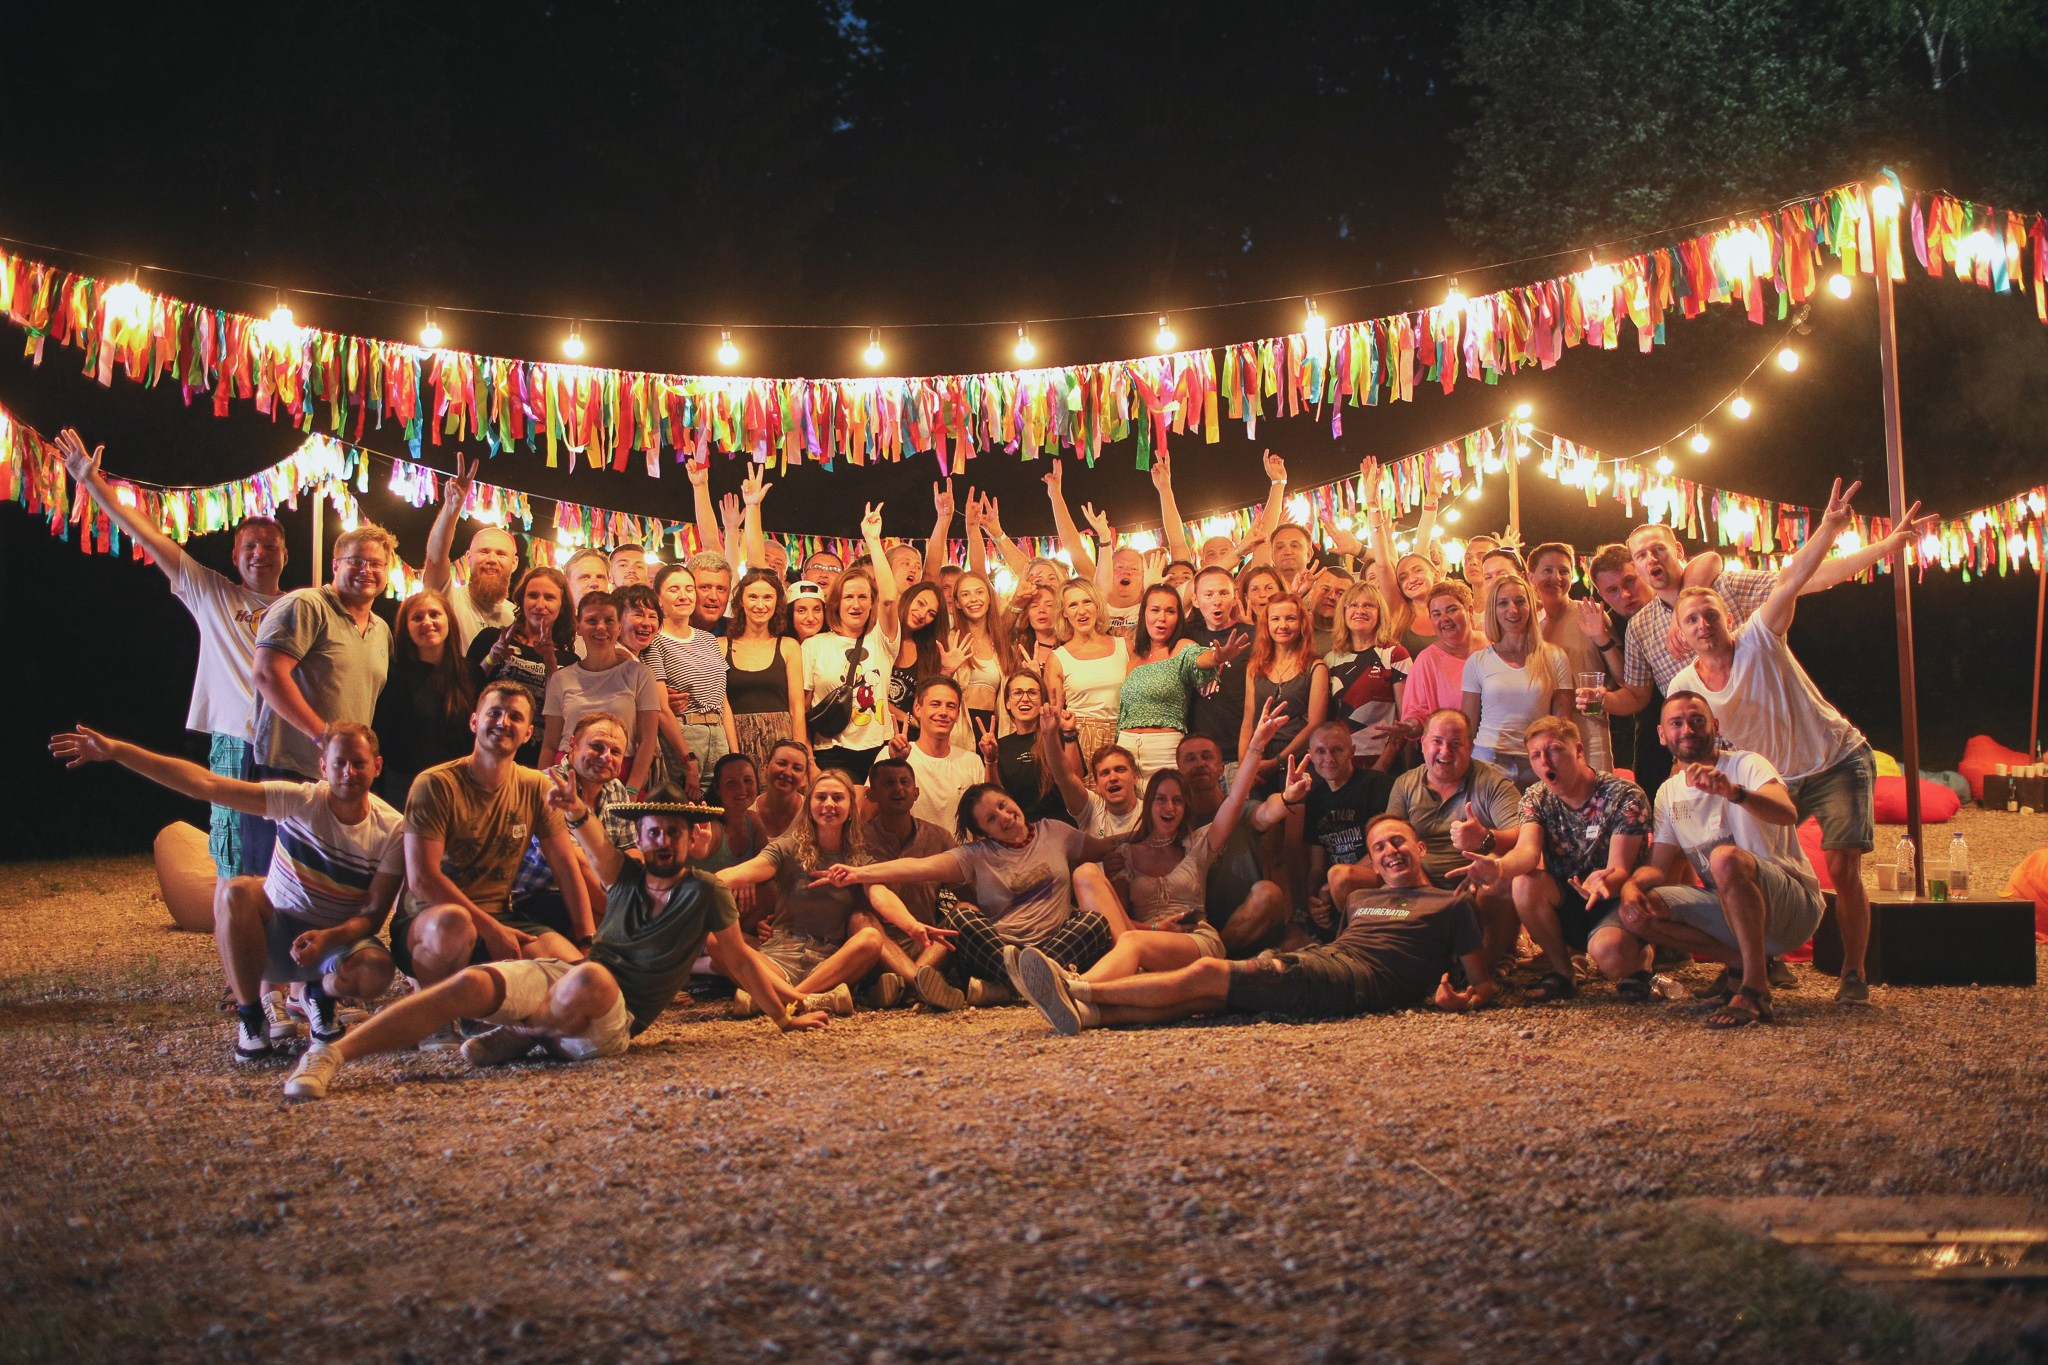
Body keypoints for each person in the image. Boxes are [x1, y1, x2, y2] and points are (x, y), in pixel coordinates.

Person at [282, 785, 829, 1099]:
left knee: (590, 975)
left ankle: (520, 1035)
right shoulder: (626, 875)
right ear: (640, 839)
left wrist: (784, 1015)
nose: (663, 841)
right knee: (475, 982)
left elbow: (737, 958)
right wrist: (576, 812)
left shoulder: (708, 892)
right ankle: (332, 1054)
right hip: (572, 984)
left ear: (693, 839)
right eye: (654, 832)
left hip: (611, 1019)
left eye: (673, 833)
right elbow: (593, 845)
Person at [1665, 478, 1893, 1004]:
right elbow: (1686, 747)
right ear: (1681, 631)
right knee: (1747, 862)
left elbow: (1791, 580)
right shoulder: (1684, 686)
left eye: (1710, 615)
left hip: (1834, 759)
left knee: (1841, 866)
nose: (1703, 624)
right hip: (1774, 777)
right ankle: (1754, 961)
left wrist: (1831, 528)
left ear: (1729, 619)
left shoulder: (1759, 639)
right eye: (1691, 619)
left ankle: (1854, 974)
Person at [51, 721, 403, 1062]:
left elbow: (372, 915)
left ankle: (318, 995)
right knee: (236, 891)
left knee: (376, 971)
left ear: (377, 766)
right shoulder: (301, 801)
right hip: (277, 935)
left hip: (333, 942)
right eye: (339, 763)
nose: (348, 773)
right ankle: (251, 1019)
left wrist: (328, 938)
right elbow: (205, 784)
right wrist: (116, 750)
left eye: (358, 763)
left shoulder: (392, 828)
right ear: (323, 767)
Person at [1013, 815, 1496, 1034]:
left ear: (1421, 849)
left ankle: (1081, 992)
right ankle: (1092, 1017)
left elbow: (1484, 984)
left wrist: (1462, 1001)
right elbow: (1338, 941)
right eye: (1380, 847)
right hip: (1325, 963)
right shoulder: (1364, 897)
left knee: (1206, 976)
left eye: (1398, 842)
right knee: (1204, 1000)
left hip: (1355, 984)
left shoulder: (1448, 905)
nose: (1390, 852)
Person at [58, 427, 286, 880]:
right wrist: (90, 481)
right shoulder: (214, 594)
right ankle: (233, 933)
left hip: (289, 744)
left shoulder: (302, 605)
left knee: (286, 846)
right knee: (233, 850)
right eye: (250, 547)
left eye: (270, 547)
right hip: (234, 739)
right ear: (236, 555)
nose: (260, 554)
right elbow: (147, 536)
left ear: (285, 554)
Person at [1617, 693, 1826, 1030]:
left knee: (1724, 858)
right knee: (1638, 910)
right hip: (1729, 909)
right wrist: (1630, 885)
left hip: (1791, 905)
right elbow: (1658, 866)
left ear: (1714, 726)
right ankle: (1742, 965)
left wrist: (1736, 793)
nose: (1688, 729)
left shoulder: (1745, 765)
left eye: (1696, 720)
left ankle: (1755, 989)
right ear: (1661, 734)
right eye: (1677, 723)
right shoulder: (1669, 792)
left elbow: (1788, 813)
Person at [817, 783, 1127, 1000]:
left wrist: (1151, 832)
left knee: (1095, 924)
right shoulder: (975, 855)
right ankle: (1035, 983)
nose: (1004, 817)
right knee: (961, 920)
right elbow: (917, 867)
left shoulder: (1055, 832)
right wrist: (857, 873)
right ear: (983, 831)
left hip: (1058, 941)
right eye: (992, 819)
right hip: (999, 948)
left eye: (1003, 806)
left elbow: (1104, 848)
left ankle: (1007, 990)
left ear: (1012, 800)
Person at [392, 682, 592, 1018]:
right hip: (430, 918)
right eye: (494, 713)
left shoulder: (535, 787)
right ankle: (433, 1014)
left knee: (578, 981)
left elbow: (566, 866)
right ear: (474, 722)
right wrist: (489, 928)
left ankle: (488, 1011)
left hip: (501, 917)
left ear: (528, 733)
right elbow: (423, 879)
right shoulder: (436, 784)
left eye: (515, 717)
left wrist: (588, 941)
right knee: (454, 925)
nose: (503, 722)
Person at [1086, 699, 1292, 984]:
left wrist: (1256, 745)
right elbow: (1118, 918)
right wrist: (1156, 929)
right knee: (1089, 881)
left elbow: (1234, 801)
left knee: (1132, 945)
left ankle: (1077, 986)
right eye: (1161, 799)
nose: (1168, 807)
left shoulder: (1196, 845)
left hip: (1194, 941)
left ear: (1185, 809)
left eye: (1177, 801)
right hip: (1148, 939)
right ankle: (1090, 996)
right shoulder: (1126, 853)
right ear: (1149, 805)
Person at [1449, 716, 1654, 1001]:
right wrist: (1497, 867)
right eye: (1536, 755)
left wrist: (1603, 880)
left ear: (1579, 751)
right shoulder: (1536, 797)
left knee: (1611, 957)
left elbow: (1619, 869)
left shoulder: (1623, 795)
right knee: (1523, 882)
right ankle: (1562, 972)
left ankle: (1642, 961)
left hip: (1614, 898)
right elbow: (1527, 853)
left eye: (1554, 750)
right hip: (1566, 897)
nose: (1545, 761)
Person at [245, 522, 396, 876]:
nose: (367, 571)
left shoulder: (380, 629)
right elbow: (268, 673)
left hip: (337, 778)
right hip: (289, 768)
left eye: (377, 564)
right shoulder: (306, 605)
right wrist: (322, 737)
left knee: (320, 886)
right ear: (336, 565)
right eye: (356, 561)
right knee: (269, 884)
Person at [714, 768, 924, 1015]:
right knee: (715, 941)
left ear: (849, 810)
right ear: (809, 805)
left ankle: (774, 999)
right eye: (821, 797)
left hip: (830, 962)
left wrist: (911, 925)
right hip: (779, 956)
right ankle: (806, 1001)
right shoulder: (787, 847)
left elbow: (880, 895)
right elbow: (743, 872)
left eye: (838, 798)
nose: (829, 805)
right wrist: (701, 887)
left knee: (871, 939)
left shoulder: (859, 858)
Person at [1378, 708, 1525, 967]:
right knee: (1344, 878)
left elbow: (1522, 836)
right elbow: (1388, 836)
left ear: (1470, 747)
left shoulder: (1492, 782)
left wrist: (1485, 838)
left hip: (1473, 882)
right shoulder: (1404, 784)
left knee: (1503, 878)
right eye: (1437, 741)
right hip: (1416, 880)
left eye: (1456, 744)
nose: (1445, 752)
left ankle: (1485, 967)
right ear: (1423, 743)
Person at [506, 713, 636, 943]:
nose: (606, 757)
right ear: (573, 746)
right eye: (597, 746)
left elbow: (633, 853)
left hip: (590, 894)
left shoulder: (616, 789)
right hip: (532, 898)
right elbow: (578, 864)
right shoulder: (546, 785)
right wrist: (635, 916)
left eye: (615, 752)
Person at [1264, 720, 1393, 936]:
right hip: (1333, 892)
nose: (1329, 759)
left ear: (1352, 751)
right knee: (1289, 941)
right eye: (1321, 752)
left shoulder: (1376, 785)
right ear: (1311, 756)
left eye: (1337, 750)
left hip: (1376, 878)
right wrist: (1313, 900)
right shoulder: (1314, 799)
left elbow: (1383, 848)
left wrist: (1331, 885)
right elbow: (1317, 866)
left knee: (1340, 877)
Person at [802, 503, 900, 781]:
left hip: (879, 750)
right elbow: (802, 707)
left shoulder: (882, 640)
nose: (856, 604)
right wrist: (807, 757)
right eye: (848, 597)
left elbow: (890, 598)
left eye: (863, 597)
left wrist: (873, 541)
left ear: (872, 603)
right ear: (836, 602)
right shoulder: (814, 645)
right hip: (831, 751)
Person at [1172, 733, 1293, 954]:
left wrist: (1286, 798)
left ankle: (1213, 955)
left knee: (1269, 894)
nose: (1199, 763)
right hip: (1198, 926)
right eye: (1190, 758)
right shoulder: (1173, 823)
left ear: (1220, 768)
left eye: (1206, 757)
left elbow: (1268, 812)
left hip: (1252, 923)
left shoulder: (1245, 811)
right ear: (1179, 769)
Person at [859, 757, 965, 1006]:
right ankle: (921, 983)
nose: (898, 789)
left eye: (905, 782)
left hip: (928, 945)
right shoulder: (856, 839)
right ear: (871, 794)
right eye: (888, 783)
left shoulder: (939, 838)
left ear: (916, 793)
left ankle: (900, 987)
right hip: (877, 947)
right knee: (861, 920)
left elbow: (966, 891)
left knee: (967, 912)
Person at [1113, 583, 1247, 779]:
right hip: (1126, 751)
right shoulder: (1135, 658)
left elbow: (1200, 658)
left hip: (1164, 751)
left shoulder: (1181, 647)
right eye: (1155, 610)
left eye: (1170, 611)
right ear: (1144, 615)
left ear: (1178, 618)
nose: (1162, 618)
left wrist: (1218, 657)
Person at [540, 591, 664, 793]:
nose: (601, 627)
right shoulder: (561, 679)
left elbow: (647, 740)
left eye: (609, 620)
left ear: (619, 626)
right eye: (591, 620)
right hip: (566, 775)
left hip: (618, 773)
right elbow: (550, 743)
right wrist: (541, 787)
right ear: (578, 626)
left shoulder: (640, 675)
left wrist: (632, 789)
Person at [1460, 573, 1571, 788]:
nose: (1513, 610)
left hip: (1538, 761)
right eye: (1503, 603)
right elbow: (1468, 724)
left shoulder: (1555, 657)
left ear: (1531, 605)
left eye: (1520, 601)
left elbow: (1562, 724)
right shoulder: (1478, 661)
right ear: (1494, 610)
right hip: (1488, 760)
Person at [374, 590, 481, 804]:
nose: (427, 622)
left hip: (459, 784)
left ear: (449, 620)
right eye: (417, 617)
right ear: (406, 628)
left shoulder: (471, 673)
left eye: (434, 614)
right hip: (406, 787)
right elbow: (383, 736)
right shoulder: (393, 675)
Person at [469, 565, 574, 768]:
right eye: (533, 595)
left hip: (534, 763)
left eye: (549, 597)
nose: (540, 604)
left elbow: (562, 714)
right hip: (485, 756)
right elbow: (464, 692)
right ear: (521, 600)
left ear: (562, 606)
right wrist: (491, 659)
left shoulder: (570, 661)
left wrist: (550, 662)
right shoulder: (492, 638)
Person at [1586, 543, 1669, 795]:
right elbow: (1626, 686)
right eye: (1612, 590)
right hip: (1650, 728)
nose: (1624, 595)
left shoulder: (1677, 603)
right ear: (1601, 595)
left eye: (1629, 582)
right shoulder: (1609, 625)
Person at [421, 455, 519, 650]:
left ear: (514, 563)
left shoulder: (519, 618)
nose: (492, 559)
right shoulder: (448, 599)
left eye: (501, 554)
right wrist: (452, 508)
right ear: (468, 558)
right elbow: (435, 558)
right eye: (484, 551)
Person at [646, 563, 737, 772]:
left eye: (688, 589)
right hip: (683, 735)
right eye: (674, 589)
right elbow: (660, 707)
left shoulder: (708, 639)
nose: (683, 596)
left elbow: (722, 701)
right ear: (658, 598)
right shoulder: (655, 641)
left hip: (718, 734)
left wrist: (734, 753)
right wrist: (686, 757)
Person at [1241, 593, 1329, 793]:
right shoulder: (1255, 667)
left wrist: (1275, 762)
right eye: (1275, 619)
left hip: (1297, 758)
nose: (1283, 625)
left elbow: (1315, 725)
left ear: (1302, 623)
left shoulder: (1316, 667)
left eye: (1290, 618)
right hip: (1258, 755)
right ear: (1266, 624)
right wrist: (1245, 765)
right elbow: (1248, 719)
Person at [722, 569, 808, 774]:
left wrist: (798, 761)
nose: (760, 605)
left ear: (776, 602)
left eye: (767, 597)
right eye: (753, 597)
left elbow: (797, 708)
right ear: (741, 601)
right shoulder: (720, 646)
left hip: (781, 743)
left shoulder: (789, 646)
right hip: (736, 741)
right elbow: (723, 708)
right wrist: (735, 756)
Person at [1324, 580, 1409, 768]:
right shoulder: (1331, 659)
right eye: (1353, 605)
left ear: (1380, 613)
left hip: (1382, 760)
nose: (1360, 610)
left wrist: (1382, 766)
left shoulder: (1394, 654)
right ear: (1343, 613)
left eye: (1368, 605)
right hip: (1340, 763)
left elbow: (1406, 720)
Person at [1045, 579, 1129, 764]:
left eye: (1087, 602)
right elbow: (1056, 714)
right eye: (1073, 605)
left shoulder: (1125, 647)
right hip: (1081, 741)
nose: (1081, 611)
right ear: (1064, 613)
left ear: (1097, 606)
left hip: (1124, 737)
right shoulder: (1057, 659)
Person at [1390, 580, 1479, 748]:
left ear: (1470, 611)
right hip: (1453, 752)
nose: (1444, 618)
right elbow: (1417, 714)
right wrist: (1410, 727)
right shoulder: (1427, 660)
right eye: (1436, 614)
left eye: (1451, 610)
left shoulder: (1493, 647)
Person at [892, 676, 986, 830]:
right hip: (910, 853)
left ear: (957, 714)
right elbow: (870, 815)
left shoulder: (972, 761)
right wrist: (895, 764)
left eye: (951, 706)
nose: (943, 712)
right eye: (935, 704)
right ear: (917, 708)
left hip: (962, 853)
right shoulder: (894, 755)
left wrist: (991, 761)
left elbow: (985, 820)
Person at [1182, 566, 1253, 768]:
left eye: (1223, 593)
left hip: (1238, 751)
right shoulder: (1185, 636)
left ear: (1234, 595)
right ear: (1195, 600)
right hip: (1196, 752)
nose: (1217, 600)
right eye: (1208, 594)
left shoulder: (1252, 636)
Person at [981, 669, 1071, 823]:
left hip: (1059, 828)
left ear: (1043, 701)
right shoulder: (1000, 746)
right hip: (1018, 830)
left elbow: (1074, 779)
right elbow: (995, 798)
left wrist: (1069, 733)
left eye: (1032, 692)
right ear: (1007, 703)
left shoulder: (1056, 736)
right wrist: (990, 760)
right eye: (1017, 693)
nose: (1025, 699)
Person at [1047, 725, 1145, 841]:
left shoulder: (1151, 812)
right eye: (1105, 773)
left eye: (1120, 770)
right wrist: (1049, 734)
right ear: (1097, 785)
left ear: (1135, 777)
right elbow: (1064, 778)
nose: (1113, 777)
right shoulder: (1091, 809)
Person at [946, 569, 1006, 738]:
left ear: (989, 598)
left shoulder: (1001, 643)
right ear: (957, 603)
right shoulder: (950, 640)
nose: (974, 599)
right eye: (965, 594)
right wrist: (946, 671)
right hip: (958, 726)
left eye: (979, 592)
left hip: (995, 726)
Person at [890, 580, 952, 731]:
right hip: (869, 731)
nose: (923, 614)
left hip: (907, 738)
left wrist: (946, 672)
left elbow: (924, 703)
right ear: (908, 598)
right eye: (921, 603)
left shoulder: (927, 651)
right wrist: (907, 718)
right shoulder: (879, 635)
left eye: (931, 614)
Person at [752, 738, 812, 839]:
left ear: (804, 778)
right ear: (765, 768)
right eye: (781, 763)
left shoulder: (811, 814)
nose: (787, 773)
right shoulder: (747, 812)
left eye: (797, 768)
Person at [687, 550, 734, 636]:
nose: (713, 597)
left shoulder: (739, 632)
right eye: (704, 587)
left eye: (721, 589)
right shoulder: (663, 633)